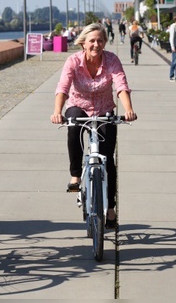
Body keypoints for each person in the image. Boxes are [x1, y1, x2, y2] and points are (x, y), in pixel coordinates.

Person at [50, 22, 137, 229]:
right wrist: (57, 112)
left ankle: (111, 208)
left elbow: (121, 85)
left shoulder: (111, 60)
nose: (96, 44)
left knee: (108, 161)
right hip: (78, 105)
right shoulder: (73, 61)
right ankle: (75, 176)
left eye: (100, 40)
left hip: (104, 108)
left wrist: (128, 110)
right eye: (92, 41)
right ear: (83, 43)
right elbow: (63, 87)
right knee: (73, 128)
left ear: (105, 42)